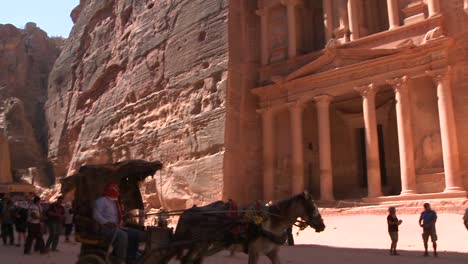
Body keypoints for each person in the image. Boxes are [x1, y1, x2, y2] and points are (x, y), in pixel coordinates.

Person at [93, 183, 145, 264]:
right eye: (116, 189)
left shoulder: (115, 202)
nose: (118, 191)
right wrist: (106, 222)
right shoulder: (101, 201)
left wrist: (126, 216)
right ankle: (120, 260)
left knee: (134, 234)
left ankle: (131, 257)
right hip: (105, 228)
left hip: (117, 227)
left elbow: (117, 216)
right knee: (122, 236)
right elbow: (96, 215)